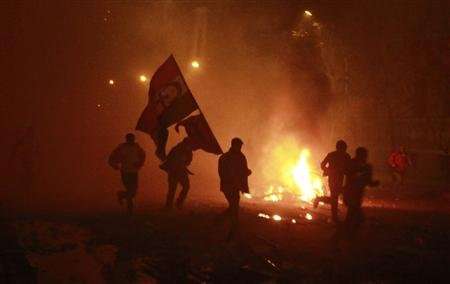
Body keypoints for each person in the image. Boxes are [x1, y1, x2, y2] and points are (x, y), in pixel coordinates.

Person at [217, 138, 252, 241]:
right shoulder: (226, 157)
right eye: (239, 145)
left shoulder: (238, 157)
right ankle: (233, 229)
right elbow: (222, 172)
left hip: (234, 186)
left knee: (234, 206)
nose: (240, 148)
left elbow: (243, 170)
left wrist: (246, 173)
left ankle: (221, 220)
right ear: (234, 145)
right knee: (234, 207)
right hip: (229, 186)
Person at [313, 140, 351, 223]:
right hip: (334, 179)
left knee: (335, 197)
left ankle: (320, 199)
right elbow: (323, 164)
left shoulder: (343, 156)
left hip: (338, 178)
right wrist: (330, 171)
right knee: (335, 197)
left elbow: (323, 165)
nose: (344, 149)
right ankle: (335, 217)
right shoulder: (341, 156)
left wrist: (328, 170)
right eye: (343, 148)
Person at [109, 133, 146, 215]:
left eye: (132, 138)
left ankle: (121, 195)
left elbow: (143, 155)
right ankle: (130, 210)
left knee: (133, 191)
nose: (131, 140)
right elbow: (112, 157)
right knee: (130, 190)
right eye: (130, 139)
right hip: (125, 172)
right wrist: (114, 165)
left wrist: (140, 163)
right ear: (127, 139)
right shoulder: (122, 148)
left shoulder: (137, 147)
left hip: (134, 172)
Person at [344, 147, 379, 232]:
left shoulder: (366, 167)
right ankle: (345, 236)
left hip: (357, 195)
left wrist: (374, 183)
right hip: (351, 194)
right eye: (364, 155)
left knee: (352, 216)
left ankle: (346, 235)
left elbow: (368, 182)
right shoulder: (352, 164)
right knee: (356, 216)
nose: (365, 157)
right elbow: (348, 178)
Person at [160, 138, 194, 209]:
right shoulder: (177, 149)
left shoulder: (187, 150)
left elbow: (188, 160)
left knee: (183, 187)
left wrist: (185, 162)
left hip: (180, 171)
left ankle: (176, 204)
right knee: (173, 188)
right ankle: (172, 205)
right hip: (174, 171)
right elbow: (169, 159)